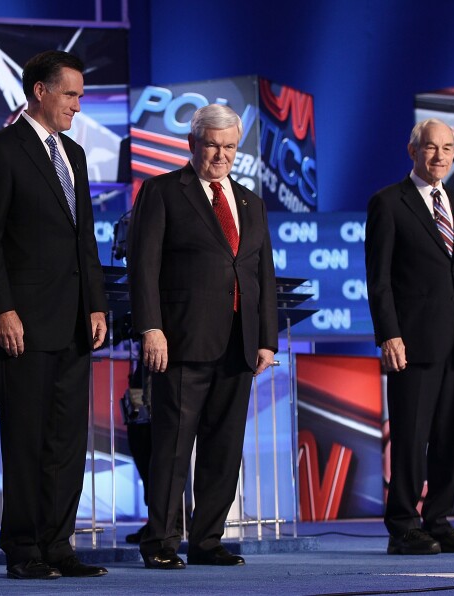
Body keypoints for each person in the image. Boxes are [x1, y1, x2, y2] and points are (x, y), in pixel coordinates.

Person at [0, 50, 109, 580]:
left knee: (66, 440)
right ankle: (24, 548)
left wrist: (96, 303)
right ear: (40, 92)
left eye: (79, 94)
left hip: (75, 321)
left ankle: (59, 544)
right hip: (23, 325)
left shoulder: (74, 154)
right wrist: (0, 309)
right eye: (71, 94)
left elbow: (86, 239)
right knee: (27, 439)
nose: (78, 104)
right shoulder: (1, 152)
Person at [127, 103, 278, 570]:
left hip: (239, 343)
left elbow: (262, 275)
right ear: (193, 144)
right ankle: (162, 542)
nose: (221, 155)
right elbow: (143, 266)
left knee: (224, 446)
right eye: (212, 145)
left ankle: (208, 539)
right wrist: (151, 328)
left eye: (230, 146)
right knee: (172, 447)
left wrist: (266, 340)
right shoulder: (162, 192)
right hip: (180, 340)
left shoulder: (251, 201)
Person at [365, 118, 454, 556]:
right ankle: (403, 525)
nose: (439, 156)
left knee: (446, 437)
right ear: (412, 150)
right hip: (412, 344)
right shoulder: (388, 203)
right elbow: (379, 281)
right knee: (409, 438)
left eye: (447, 148)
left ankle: (437, 521)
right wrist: (389, 335)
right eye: (430, 147)